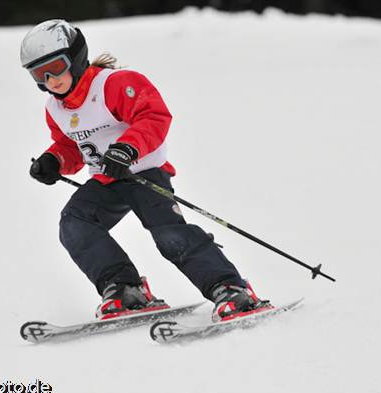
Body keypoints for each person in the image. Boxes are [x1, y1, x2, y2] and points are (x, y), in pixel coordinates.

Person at [21, 19, 269, 321]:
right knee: (74, 223)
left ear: (75, 58)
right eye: (39, 73)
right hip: (105, 180)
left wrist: (127, 148)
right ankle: (125, 289)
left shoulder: (113, 84)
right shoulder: (55, 108)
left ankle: (230, 288)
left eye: (56, 67)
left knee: (169, 235)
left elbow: (153, 115)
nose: (51, 79)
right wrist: (54, 161)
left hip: (143, 173)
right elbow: (71, 144)